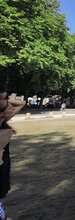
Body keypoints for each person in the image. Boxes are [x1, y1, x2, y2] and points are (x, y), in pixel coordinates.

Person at [0, 91, 25, 220]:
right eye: (8, 104)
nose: (11, 105)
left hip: (3, 164)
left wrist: (4, 98)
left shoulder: (3, 119)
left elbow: (21, 102)